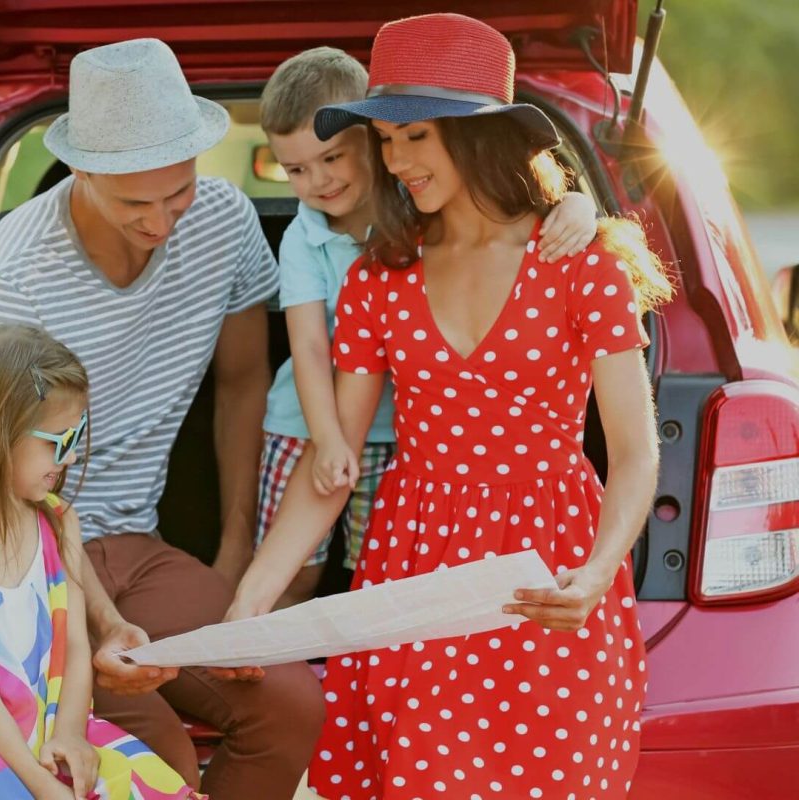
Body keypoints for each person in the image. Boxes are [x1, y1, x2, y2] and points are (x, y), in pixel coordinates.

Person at [226, 13, 673, 798]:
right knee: (420, 776)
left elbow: (634, 451)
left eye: (416, 137)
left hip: (547, 569)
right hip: (413, 567)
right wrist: (251, 600)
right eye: (385, 140)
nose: (396, 161)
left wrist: (598, 571)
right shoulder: (378, 279)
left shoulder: (580, 266)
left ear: (479, 134)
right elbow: (330, 469)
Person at [0, 38, 324, 799]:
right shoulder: (7, 274)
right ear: (82, 172)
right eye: (134, 204)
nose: (161, 220)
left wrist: (233, 559)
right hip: (37, 559)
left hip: (138, 544)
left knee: (291, 707)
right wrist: (91, 619)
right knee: (159, 766)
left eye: (177, 191)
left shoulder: (222, 221)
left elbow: (242, 384)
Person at [254, 47, 600, 608]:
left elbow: (512, 218)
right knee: (304, 572)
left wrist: (580, 207)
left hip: (402, 438)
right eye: (295, 170)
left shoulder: (423, 206)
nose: (318, 180)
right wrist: (329, 439)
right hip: (311, 421)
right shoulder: (320, 243)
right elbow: (311, 348)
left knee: (371, 575)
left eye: (333, 157)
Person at [0, 325, 202, 799]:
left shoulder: (59, 522)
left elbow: (75, 647)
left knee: (151, 782)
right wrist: (43, 785)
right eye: (58, 441)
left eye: (77, 437)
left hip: (47, 729)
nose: (70, 457)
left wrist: (70, 733)